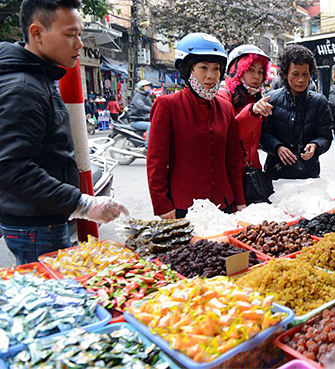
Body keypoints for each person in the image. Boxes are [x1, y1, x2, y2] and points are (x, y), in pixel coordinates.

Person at [0, 0, 128, 265]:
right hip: (36, 224)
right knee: (49, 298)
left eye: (79, 34)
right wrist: (82, 204)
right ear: (36, 33)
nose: (79, 44)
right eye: (70, 35)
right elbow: (12, 169)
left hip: (44, 217)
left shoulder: (39, 76)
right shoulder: (24, 88)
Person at [147, 33, 246, 219]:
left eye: (216, 69)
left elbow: (233, 160)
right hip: (184, 207)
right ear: (188, 69)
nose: (211, 76)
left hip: (223, 205)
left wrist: (239, 200)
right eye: (203, 68)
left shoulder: (225, 108)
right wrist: (161, 205)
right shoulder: (167, 105)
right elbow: (156, 162)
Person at [261, 44, 333, 180]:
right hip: (276, 173)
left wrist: (316, 146)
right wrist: (277, 147)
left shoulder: (319, 102)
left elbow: (326, 136)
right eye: (295, 74)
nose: (301, 80)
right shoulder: (271, 100)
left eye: (305, 74)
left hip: (308, 174)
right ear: (285, 73)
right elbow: (263, 135)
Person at [218, 44, 272, 169]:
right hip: (230, 170)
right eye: (251, 69)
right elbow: (228, 134)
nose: (256, 76)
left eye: (260, 72)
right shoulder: (223, 96)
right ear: (237, 70)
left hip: (252, 170)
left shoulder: (256, 97)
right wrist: (251, 111)